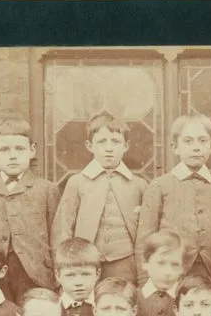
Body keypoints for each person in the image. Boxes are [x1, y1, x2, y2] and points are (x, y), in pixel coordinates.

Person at [0, 118, 60, 303]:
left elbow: (57, 239)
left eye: (19, 149)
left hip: (35, 276)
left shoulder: (46, 190)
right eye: (4, 149)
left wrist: (58, 280)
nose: (12, 156)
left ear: (32, 150)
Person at [51, 114, 148, 283]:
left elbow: (146, 232)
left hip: (126, 262)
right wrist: (65, 268)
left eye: (115, 142)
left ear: (126, 145)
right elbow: (63, 229)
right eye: (102, 142)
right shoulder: (77, 182)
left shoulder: (139, 185)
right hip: (86, 264)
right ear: (90, 145)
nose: (109, 148)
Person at [135, 113, 211, 284]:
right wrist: (144, 279)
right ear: (175, 147)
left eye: (202, 141)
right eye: (188, 141)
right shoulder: (159, 186)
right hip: (170, 273)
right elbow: (144, 239)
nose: (196, 147)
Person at [132, 230, 184, 316]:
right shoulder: (134, 298)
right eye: (161, 263)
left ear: (182, 268)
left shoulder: (185, 300)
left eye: (175, 265)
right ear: (145, 263)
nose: (167, 272)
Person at [52, 237, 102, 316]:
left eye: (85, 274)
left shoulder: (104, 307)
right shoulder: (53, 309)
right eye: (70, 275)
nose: (78, 282)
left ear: (97, 274)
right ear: (58, 275)